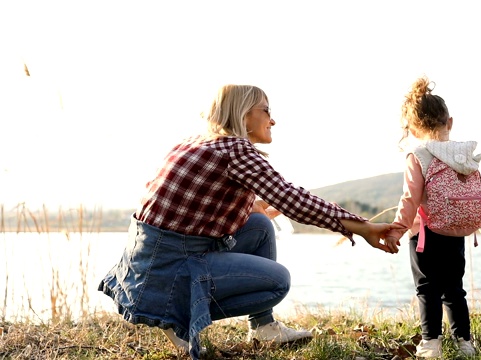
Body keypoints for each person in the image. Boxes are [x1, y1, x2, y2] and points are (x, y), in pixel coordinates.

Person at [97, 84, 399, 359]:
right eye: (266, 110)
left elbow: (190, 209)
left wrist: (249, 208)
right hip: (170, 268)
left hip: (149, 263)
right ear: (243, 114)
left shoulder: (197, 143)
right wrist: (364, 227)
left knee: (260, 225)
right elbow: (293, 199)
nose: (273, 119)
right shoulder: (235, 150)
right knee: (277, 282)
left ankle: (263, 327)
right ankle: (176, 316)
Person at [384, 76, 478, 358]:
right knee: (454, 290)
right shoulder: (463, 154)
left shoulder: (418, 155)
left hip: (425, 235)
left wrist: (397, 229)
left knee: (427, 288)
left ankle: (431, 344)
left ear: (412, 128)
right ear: (449, 122)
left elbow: (410, 198)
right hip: (457, 231)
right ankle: (465, 343)